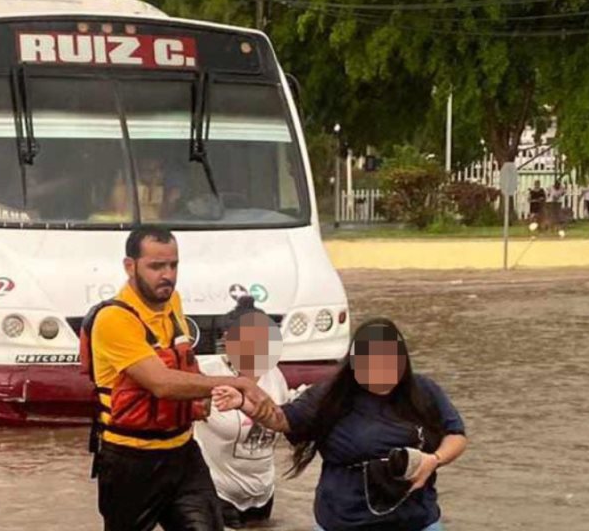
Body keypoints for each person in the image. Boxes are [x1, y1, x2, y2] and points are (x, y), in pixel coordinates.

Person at [85, 226, 272, 531]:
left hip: (182, 454)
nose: (167, 275)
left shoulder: (173, 303)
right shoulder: (113, 320)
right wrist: (239, 382)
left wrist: (209, 397)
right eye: (156, 266)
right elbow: (162, 383)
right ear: (130, 266)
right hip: (131, 462)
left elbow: (183, 362)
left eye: (173, 265)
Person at [213, 318, 468, 531]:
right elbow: (282, 420)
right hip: (345, 521)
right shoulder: (329, 396)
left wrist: (434, 459)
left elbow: (456, 435)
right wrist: (245, 404)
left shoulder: (424, 391)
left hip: (417, 521)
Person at [194, 296, 291, 529]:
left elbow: (285, 421)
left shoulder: (275, 376)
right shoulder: (207, 374)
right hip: (218, 492)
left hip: (263, 493)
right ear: (228, 340)